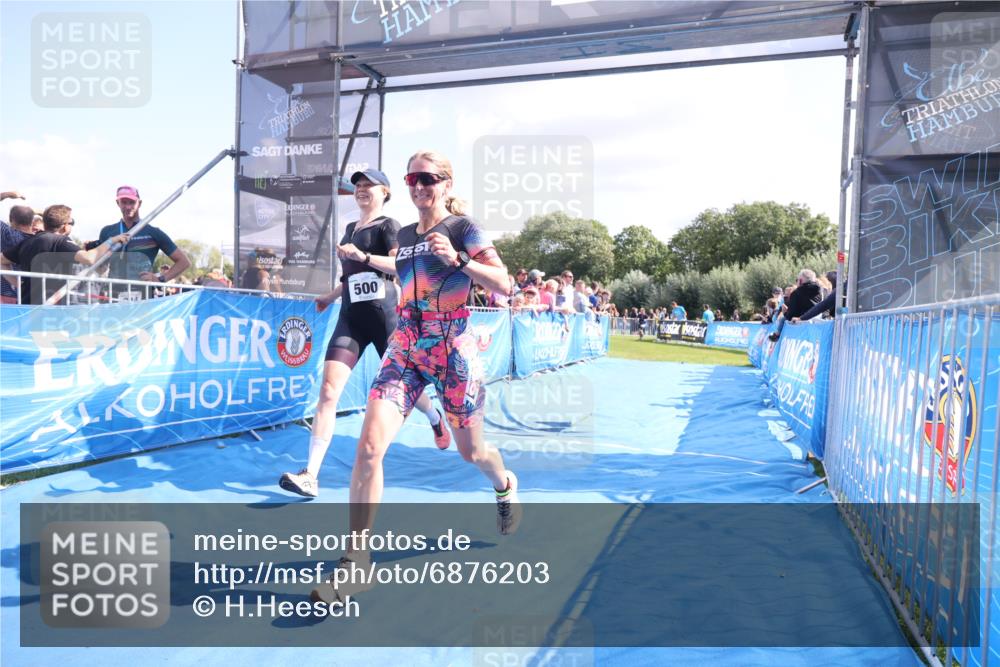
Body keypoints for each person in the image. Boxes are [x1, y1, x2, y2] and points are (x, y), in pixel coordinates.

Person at [311, 150, 521, 605]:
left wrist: (460, 261)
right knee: (369, 446)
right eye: (412, 178)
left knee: (472, 452)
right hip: (406, 345)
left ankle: (504, 484)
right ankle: (356, 562)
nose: (419, 186)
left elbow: (505, 284)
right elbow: (399, 267)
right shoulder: (404, 234)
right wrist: (364, 259)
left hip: (452, 348)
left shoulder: (464, 230)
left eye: (428, 178)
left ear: (446, 183)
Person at [280, 168, 447, 499]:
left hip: (385, 317)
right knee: (328, 390)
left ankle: (432, 413)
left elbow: (400, 265)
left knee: (406, 391)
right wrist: (329, 296)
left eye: (368, 185)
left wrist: (366, 256)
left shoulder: (390, 226)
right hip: (351, 318)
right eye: (357, 185)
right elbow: (351, 278)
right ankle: (311, 474)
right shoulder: (348, 229)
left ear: (385, 191)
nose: (361, 189)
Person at [1, 204, 128, 304]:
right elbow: (90, 258)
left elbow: (1, 262)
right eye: (71, 222)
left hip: (25, 305)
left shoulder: (27, 242)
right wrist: (112, 240)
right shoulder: (60, 242)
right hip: (50, 309)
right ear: (65, 226)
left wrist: (18, 283)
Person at [96, 186, 191, 292]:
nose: (127, 207)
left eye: (132, 202)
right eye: (124, 202)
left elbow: (184, 262)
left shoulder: (153, 232)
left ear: (139, 203)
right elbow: (100, 268)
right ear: (118, 203)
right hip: (113, 296)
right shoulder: (107, 232)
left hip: (142, 298)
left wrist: (160, 279)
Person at [769, 269, 823, 341]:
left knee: (783, 319)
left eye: (797, 280)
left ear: (800, 281)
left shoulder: (796, 293)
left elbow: (791, 315)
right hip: (817, 325)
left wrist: (785, 312)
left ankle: (777, 334)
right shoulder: (819, 291)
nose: (796, 282)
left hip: (801, 327)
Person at [1, 205, 36, 302]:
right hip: (29, 296)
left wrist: (8, 194)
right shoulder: (39, 240)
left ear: (11, 219)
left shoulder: (7, 233)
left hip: (6, 294)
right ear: (32, 221)